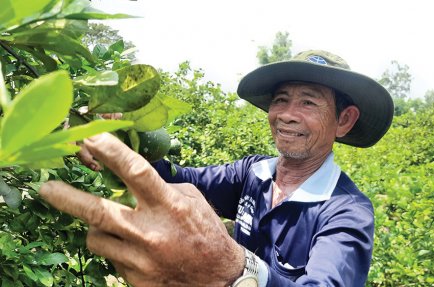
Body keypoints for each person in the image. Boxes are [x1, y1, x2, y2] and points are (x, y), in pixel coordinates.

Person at [40, 50, 394, 287]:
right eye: (281, 100)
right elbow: (176, 180)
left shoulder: (347, 211)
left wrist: (238, 270)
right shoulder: (252, 174)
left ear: (344, 120)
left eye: (308, 102)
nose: (287, 114)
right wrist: (119, 141)